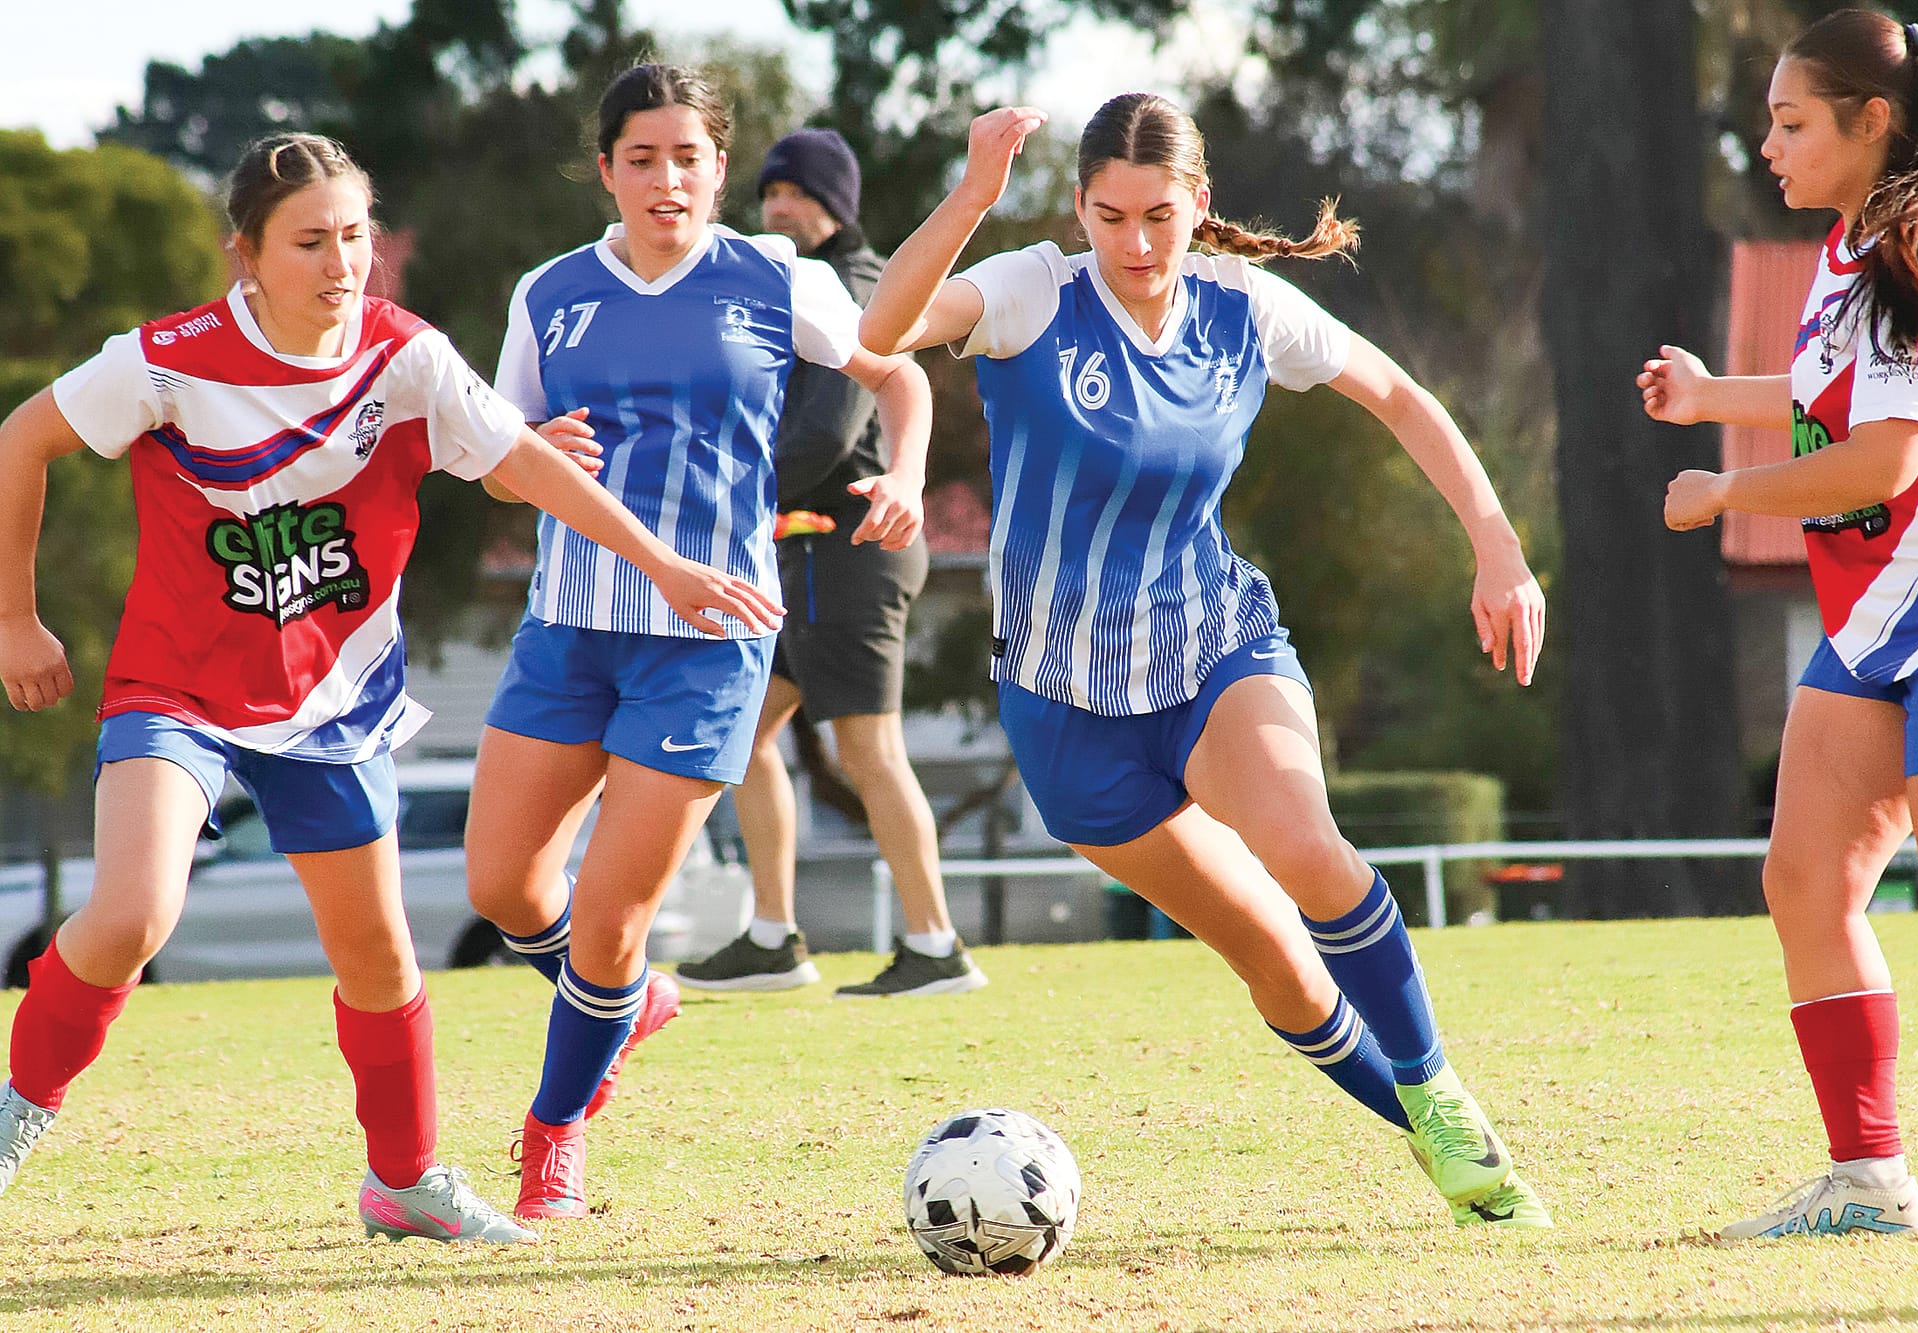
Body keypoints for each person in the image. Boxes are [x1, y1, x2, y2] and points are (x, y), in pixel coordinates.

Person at [0, 133, 760, 1244]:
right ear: (245, 256)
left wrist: (666, 568)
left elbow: (529, 463)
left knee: (380, 957)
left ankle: (404, 1183)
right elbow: (21, 439)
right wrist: (15, 617)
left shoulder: (404, 357)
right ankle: (21, 1110)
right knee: (133, 912)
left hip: (336, 703)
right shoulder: (168, 359)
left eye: (355, 235)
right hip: (183, 691)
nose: (341, 261)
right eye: (310, 240)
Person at [860, 93, 1551, 1227]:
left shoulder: (1241, 306)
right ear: (1077, 208)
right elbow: (882, 333)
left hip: (1213, 648)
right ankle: (1447, 1158)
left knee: (1307, 850)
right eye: (1109, 216)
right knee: (1275, 960)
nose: (1134, 244)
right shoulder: (1035, 289)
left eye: (1159, 216)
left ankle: (1437, 1090)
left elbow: (1399, 395)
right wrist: (972, 198)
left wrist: (1497, 549)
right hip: (1065, 709)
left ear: (1200, 207)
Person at [462, 65, 932, 1221]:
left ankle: (552, 1136)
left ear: (721, 168)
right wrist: (529, 451)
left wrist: (906, 475)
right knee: (504, 887)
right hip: (566, 627)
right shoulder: (549, 292)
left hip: (708, 640)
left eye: (688, 158)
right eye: (640, 158)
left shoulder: (778, 277)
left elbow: (898, 375)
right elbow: (495, 453)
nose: (666, 180)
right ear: (607, 167)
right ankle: (622, 1001)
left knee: (613, 921)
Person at [1639, 9, 1918, 1240]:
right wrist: (1710, 402)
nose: (1767, 144)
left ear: (1872, 122)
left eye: (1791, 123)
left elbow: (1889, 458)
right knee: (1804, 879)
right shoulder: (1857, 250)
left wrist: (1727, 490)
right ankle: (1867, 1180)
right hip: (1881, 618)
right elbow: (1824, 397)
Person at [676, 128, 985, 998]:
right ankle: (774, 935)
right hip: (803, 552)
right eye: (770, 194)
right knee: (745, 733)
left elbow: (823, 434)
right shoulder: (790, 283)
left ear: (835, 207)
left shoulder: (853, 287)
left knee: (868, 749)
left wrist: (715, 491)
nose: (777, 209)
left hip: (844, 545)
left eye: (797, 196)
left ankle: (935, 946)